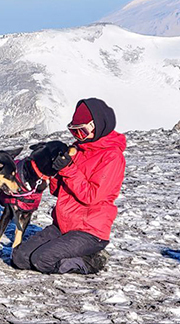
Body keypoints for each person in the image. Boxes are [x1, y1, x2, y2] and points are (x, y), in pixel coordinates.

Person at [11, 97, 126, 274]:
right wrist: (55, 169)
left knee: (42, 260)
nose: (76, 137)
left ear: (96, 126)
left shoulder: (111, 157)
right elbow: (57, 191)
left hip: (89, 231)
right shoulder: (77, 150)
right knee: (20, 257)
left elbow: (92, 196)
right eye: (73, 131)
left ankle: (91, 260)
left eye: (80, 132)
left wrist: (69, 169)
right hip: (63, 225)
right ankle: (69, 252)